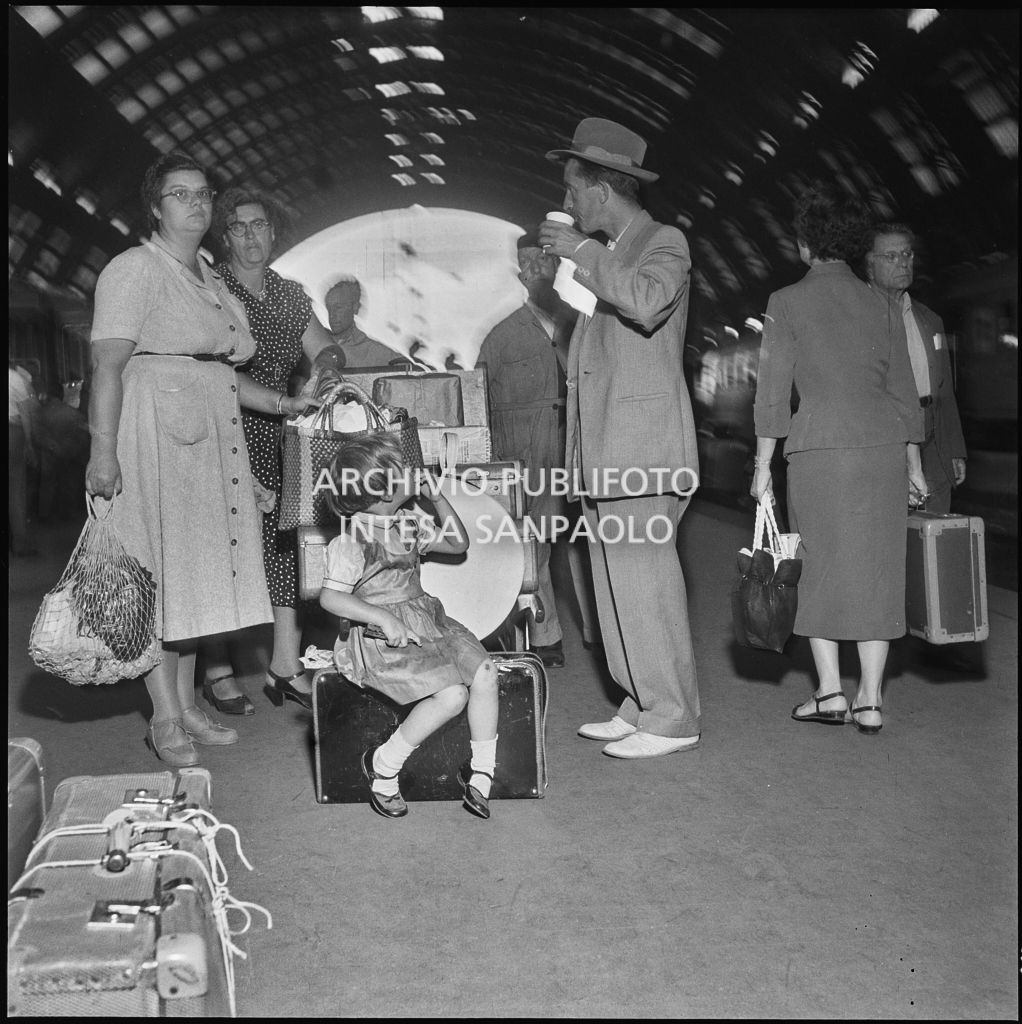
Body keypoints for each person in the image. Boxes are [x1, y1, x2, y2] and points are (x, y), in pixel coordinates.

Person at [85, 151, 315, 767]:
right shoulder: (134, 269)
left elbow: (219, 371)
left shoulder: (208, 276)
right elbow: (107, 367)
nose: (196, 204)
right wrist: (103, 454)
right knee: (161, 578)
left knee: (194, 581)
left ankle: (186, 705)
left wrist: (281, 402)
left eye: (203, 194)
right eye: (180, 194)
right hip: (156, 437)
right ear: (156, 207)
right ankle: (163, 717)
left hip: (211, 437)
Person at [539, 117, 702, 759]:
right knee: (613, 584)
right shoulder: (614, 250)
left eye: (573, 189)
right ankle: (640, 703)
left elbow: (646, 301)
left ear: (602, 191)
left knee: (644, 582)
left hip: (641, 447)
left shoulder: (665, 242)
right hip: (606, 448)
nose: (570, 202)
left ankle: (674, 717)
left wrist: (580, 251)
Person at [751, 183, 928, 735]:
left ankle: (829, 693)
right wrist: (915, 465)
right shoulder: (882, 305)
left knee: (817, 569)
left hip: (819, 451)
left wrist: (762, 466)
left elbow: (773, 393)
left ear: (805, 243)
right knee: (878, 571)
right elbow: (905, 392)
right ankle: (871, 700)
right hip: (882, 453)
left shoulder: (786, 302)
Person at [197, 187, 343, 715]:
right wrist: (286, 400)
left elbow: (325, 344)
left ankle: (284, 663)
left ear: (273, 233)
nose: (251, 235)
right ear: (225, 236)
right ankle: (217, 666)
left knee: (283, 542)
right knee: (227, 549)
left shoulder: (287, 293)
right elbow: (217, 372)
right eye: (239, 227)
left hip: (278, 434)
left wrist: (325, 372)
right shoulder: (212, 287)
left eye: (259, 225)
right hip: (223, 428)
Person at [319, 433, 499, 819]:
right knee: (453, 697)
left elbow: (457, 543)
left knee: (485, 672)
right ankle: (384, 768)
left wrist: (436, 498)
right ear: (383, 492)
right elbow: (332, 598)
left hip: (428, 622)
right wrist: (382, 616)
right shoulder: (352, 540)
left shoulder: (407, 524)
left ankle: (482, 771)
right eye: (403, 471)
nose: (414, 473)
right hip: (381, 638)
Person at [476, 230, 574, 667]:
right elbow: (478, 398)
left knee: (549, 543)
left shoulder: (580, 325)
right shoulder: (502, 336)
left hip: (566, 445)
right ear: (520, 274)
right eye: (527, 263)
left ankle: (564, 633)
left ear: (557, 267)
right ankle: (543, 635)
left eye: (543, 260)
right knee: (525, 544)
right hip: (517, 451)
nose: (535, 269)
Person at [864, 222, 967, 514]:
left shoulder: (930, 319)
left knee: (934, 532)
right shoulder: (859, 317)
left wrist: (955, 449)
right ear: (869, 264)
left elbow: (944, 390)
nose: (903, 263)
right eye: (891, 256)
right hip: (886, 442)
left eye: (907, 255)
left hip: (933, 441)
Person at [324, 278, 400, 368]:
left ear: (355, 307)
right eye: (329, 308)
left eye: (338, 308)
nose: (332, 315)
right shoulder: (320, 345)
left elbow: (408, 370)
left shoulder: (375, 351)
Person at [9, 362, 39, 556]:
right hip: (12, 434)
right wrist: (29, 442)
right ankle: (20, 544)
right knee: (16, 490)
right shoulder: (14, 377)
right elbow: (26, 413)